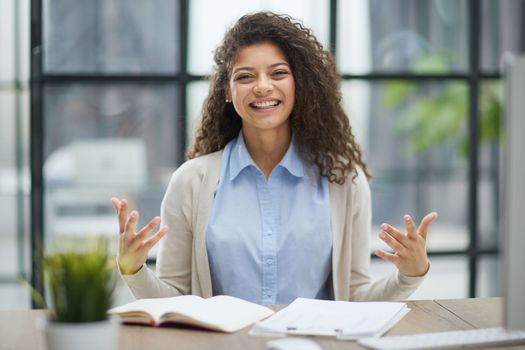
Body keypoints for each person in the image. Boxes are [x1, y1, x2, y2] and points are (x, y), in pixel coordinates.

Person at [112, 11, 437, 304]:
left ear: (300, 84)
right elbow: (175, 299)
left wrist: (410, 274)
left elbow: (353, 295)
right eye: (245, 76)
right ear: (227, 90)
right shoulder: (192, 182)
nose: (262, 87)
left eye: (278, 73)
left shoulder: (343, 179)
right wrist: (133, 268)